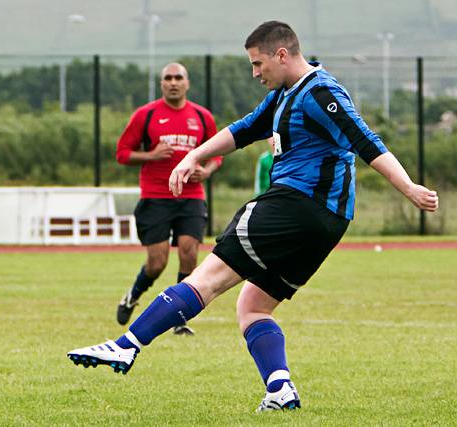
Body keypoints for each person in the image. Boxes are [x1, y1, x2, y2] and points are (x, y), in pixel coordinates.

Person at [67, 21, 438, 412]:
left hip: (295, 205)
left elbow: (366, 140)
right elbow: (244, 130)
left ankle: (126, 345)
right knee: (253, 306)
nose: (255, 73)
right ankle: (280, 389)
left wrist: (409, 187)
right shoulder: (283, 95)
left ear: (282, 54)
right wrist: (194, 155)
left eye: (258, 64)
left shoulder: (321, 91)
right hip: (328, 223)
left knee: (207, 279)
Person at [114, 62, 222, 336]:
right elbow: (122, 153)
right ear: (162, 84)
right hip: (156, 196)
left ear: (187, 83)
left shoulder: (202, 116)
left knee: (189, 253)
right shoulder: (146, 115)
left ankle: (178, 319)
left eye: (178, 78)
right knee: (157, 263)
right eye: (168, 78)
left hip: (191, 196)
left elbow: (217, 153)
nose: (173, 82)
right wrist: (150, 156)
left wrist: (206, 170)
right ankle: (132, 295)